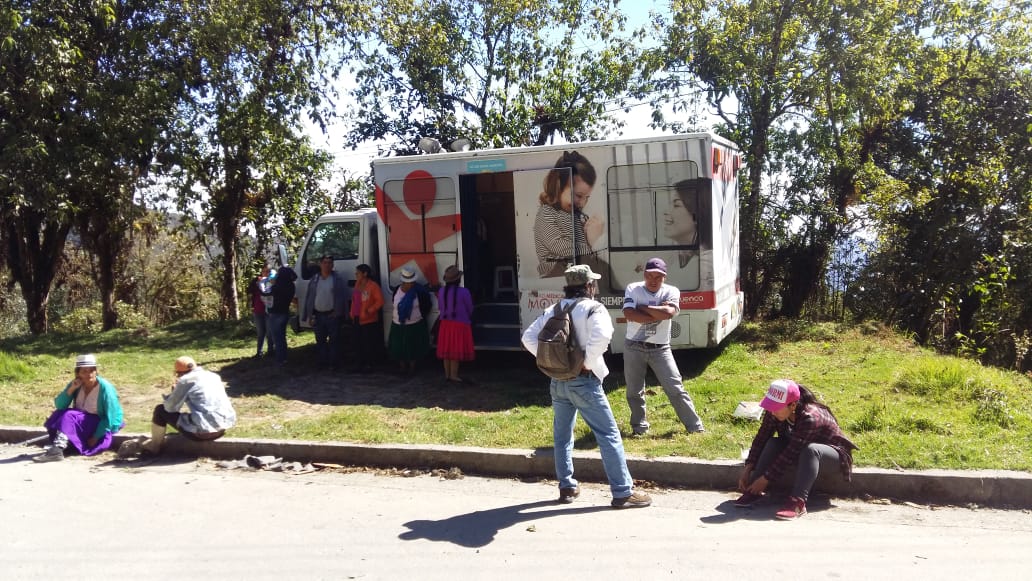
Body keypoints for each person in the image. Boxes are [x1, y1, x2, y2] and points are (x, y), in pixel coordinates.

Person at [521, 264, 651, 509]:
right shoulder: (594, 308)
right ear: (590, 286)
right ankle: (622, 491)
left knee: (562, 437)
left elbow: (528, 337)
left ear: (569, 286)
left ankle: (567, 486)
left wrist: (554, 364)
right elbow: (603, 336)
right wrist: (586, 364)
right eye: (594, 283)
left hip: (558, 382)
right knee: (609, 435)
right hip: (584, 382)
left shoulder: (554, 309)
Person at [736, 379, 859, 520]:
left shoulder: (810, 417)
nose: (772, 411)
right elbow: (761, 438)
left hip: (832, 457)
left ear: (793, 405)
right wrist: (748, 468)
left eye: (776, 407)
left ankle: (798, 502)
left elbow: (790, 453)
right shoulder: (773, 413)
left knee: (811, 450)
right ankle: (753, 491)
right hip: (799, 451)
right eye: (770, 406)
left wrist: (765, 479)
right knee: (772, 442)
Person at [622, 257, 705, 436]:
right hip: (633, 346)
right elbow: (629, 313)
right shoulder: (633, 288)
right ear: (644, 275)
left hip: (660, 348)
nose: (653, 281)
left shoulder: (672, 291)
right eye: (650, 276)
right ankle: (639, 428)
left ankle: (695, 426)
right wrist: (658, 311)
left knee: (675, 387)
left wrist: (642, 308)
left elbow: (669, 313)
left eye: (658, 277)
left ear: (664, 278)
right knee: (634, 390)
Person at [136, 356, 237, 455]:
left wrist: (174, 393)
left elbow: (170, 408)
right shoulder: (214, 376)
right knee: (197, 413)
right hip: (222, 428)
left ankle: (155, 447)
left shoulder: (185, 380)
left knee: (160, 410)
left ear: (179, 372)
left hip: (203, 434)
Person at [34, 354, 124, 462]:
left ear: (96, 371)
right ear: (78, 373)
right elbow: (60, 405)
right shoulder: (76, 384)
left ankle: (57, 450)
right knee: (59, 413)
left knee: (69, 415)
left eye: (91, 370)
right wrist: (71, 389)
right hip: (80, 422)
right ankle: (61, 447)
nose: (89, 374)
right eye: (84, 371)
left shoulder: (105, 388)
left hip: (99, 424)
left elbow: (111, 417)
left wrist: (96, 437)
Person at [533, 151, 605, 278]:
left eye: (586, 197)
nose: (582, 203)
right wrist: (591, 242)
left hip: (578, 273)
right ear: (558, 185)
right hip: (555, 276)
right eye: (578, 195)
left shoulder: (575, 216)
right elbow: (560, 247)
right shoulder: (546, 213)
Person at [302, 255, 349, 368]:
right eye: (325, 263)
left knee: (334, 341)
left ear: (332, 265)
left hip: (332, 315)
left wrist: (339, 312)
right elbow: (309, 298)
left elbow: (342, 297)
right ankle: (322, 363)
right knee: (320, 341)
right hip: (318, 315)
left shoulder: (337, 279)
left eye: (329, 263)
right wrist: (310, 315)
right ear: (320, 264)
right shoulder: (314, 279)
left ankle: (334, 364)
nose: (327, 265)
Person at [388, 267, 432, 374]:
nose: (410, 284)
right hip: (398, 324)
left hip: (415, 324)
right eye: (408, 282)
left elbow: (427, 306)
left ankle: (412, 368)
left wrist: (418, 315)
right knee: (398, 346)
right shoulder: (397, 290)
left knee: (413, 347)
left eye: (411, 282)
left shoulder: (420, 291)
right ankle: (402, 367)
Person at [436, 265, 475, 383]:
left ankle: (447, 375)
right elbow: (470, 308)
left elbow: (440, 307)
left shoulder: (441, 291)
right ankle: (454, 375)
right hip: (460, 324)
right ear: (458, 279)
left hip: (445, 324)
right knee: (455, 351)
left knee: (447, 350)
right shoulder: (464, 291)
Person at [350, 263, 385, 371]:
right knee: (357, 343)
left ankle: (369, 364)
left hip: (369, 320)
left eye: (358, 273)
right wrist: (351, 313)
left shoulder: (373, 286)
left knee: (368, 344)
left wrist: (369, 310)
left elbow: (380, 301)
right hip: (356, 318)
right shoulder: (357, 284)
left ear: (365, 274)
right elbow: (355, 300)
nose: (356, 274)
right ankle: (358, 364)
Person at [268, 265, 297, 367]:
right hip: (285, 312)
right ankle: (283, 358)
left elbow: (268, 294)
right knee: (282, 337)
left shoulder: (277, 286)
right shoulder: (291, 286)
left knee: (277, 338)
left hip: (275, 313)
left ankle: (280, 359)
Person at [247, 265, 274, 358]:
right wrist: (256, 283)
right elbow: (249, 291)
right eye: (264, 271)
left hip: (269, 311)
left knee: (269, 332)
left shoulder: (272, 282)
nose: (265, 273)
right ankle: (259, 352)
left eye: (268, 272)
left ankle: (271, 351)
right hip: (258, 310)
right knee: (260, 333)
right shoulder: (256, 281)